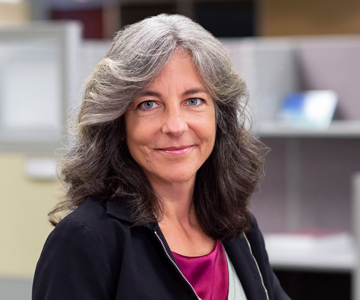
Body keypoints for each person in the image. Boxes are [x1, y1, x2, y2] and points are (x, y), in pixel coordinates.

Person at [33, 14, 290, 300]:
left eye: (193, 101)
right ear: (118, 124)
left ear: (220, 117)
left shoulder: (237, 225)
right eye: (149, 104)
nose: (175, 126)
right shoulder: (86, 240)